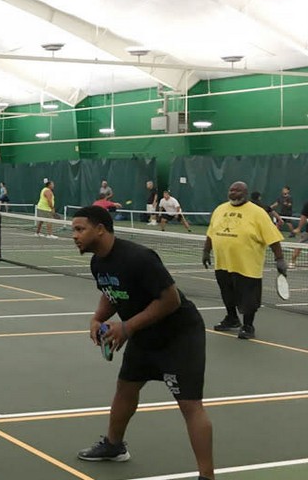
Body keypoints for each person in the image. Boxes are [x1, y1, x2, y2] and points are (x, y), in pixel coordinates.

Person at [71, 206, 214, 480]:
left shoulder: (139, 258)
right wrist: (97, 318)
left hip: (179, 335)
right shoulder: (98, 263)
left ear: (100, 229)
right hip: (143, 333)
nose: (74, 236)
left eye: (80, 229)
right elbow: (111, 292)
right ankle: (114, 446)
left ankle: (207, 476)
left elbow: (171, 300)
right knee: (125, 388)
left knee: (190, 405)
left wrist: (126, 327)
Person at [204, 181, 286, 340]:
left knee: (249, 298)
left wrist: (280, 259)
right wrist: (206, 251)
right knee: (227, 292)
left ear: (245, 193)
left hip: (247, 265)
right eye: (231, 190)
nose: (233, 193)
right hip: (223, 262)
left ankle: (248, 326)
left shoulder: (258, 213)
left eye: (237, 190)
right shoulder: (220, 209)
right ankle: (232, 319)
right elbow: (211, 233)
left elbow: (273, 239)